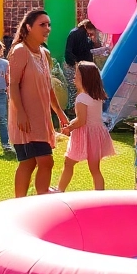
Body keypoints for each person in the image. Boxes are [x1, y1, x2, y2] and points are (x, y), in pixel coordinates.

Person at [9, 9, 67, 197]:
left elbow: (48, 86)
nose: (47, 28)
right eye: (42, 24)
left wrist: (59, 112)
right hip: (25, 119)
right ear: (28, 27)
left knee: (30, 162)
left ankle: (24, 202)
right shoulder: (20, 51)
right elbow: (13, 84)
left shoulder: (44, 53)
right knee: (44, 161)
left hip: (41, 118)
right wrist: (21, 113)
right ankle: (37, 199)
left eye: (49, 24)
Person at [56, 61, 116, 192]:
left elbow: (81, 120)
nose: (74, 78)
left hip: (85, 135)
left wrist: (68, 128)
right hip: (96, 134)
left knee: (69, 163)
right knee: (95, 169)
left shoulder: (82, 98)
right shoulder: (97, 96)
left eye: (77, 75)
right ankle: (100, 194)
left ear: (84, 78)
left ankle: (60, 190)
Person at [63, 19, 108, 112]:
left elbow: (88, 49)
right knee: (75, 87)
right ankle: (73, 109)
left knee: (79, 87)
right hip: (75, 65)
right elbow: (70, 51)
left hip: (80, 65)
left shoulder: (85, 35)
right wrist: (75, 63)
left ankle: (77, 109)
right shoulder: (78, 34)